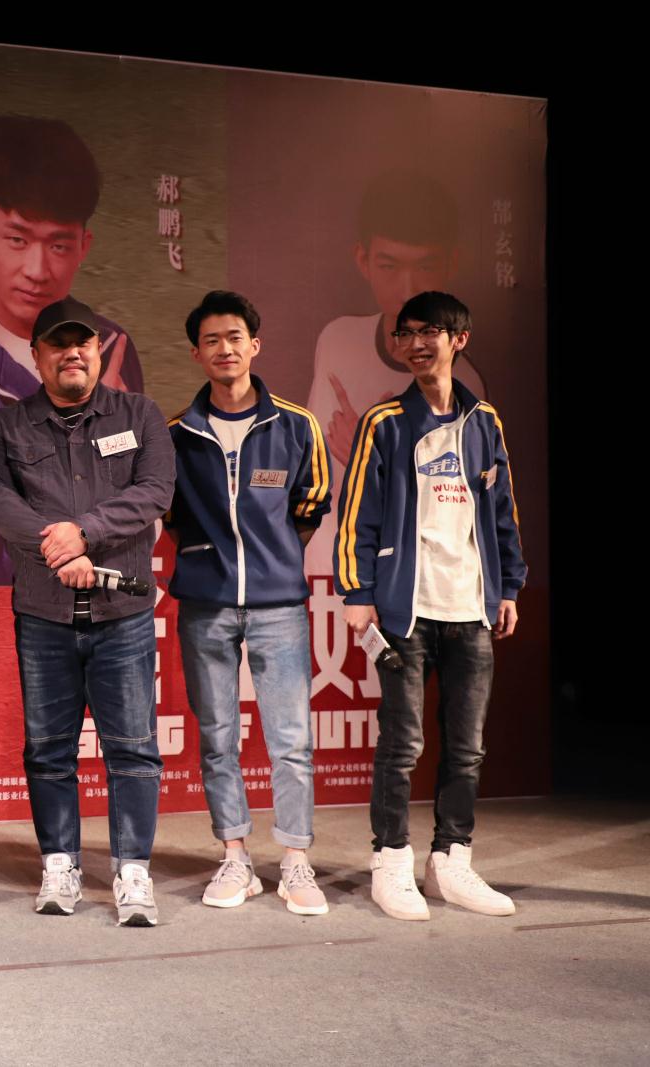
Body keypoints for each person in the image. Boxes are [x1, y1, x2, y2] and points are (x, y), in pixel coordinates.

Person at [0, 296, 173, 925]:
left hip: (124, 615)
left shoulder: (140, 415)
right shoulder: (8, 426)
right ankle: (59, 864)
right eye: (58, 345)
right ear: (36, 356)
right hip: (44, 614)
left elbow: (154, 491)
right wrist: (56, 548)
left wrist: (83, 533)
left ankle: (132, 871)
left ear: (98, 350)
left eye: (82, 343)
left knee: (133, 749)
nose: (73, 354)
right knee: (48, 750)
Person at [334, 290, 525, 922]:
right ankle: (391, 860)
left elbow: (502, 511)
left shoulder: (484, 422)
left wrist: (508, 586)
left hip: (471, 608)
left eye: (430, 332)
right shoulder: (385, 421)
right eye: (406, 333)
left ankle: (452, 861)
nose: (416, 344)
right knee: (403, 745)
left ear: (458, 339)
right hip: (404, 611)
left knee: (467, 748)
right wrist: (358, 592)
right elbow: (357, 512)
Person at [0, 115, 143, 586]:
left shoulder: (111, 346)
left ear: (84, 245)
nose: (38, 270)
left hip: (111, 605)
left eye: (59, 245)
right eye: (17, 240)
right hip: (6, 612)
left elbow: (142, 501)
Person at [166, 291, 331, 916]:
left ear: (254, 345)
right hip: (205, 604)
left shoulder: (295, 425)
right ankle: (234, 856)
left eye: (235, 337)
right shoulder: (178, 434)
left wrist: (272, 560)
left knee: (291, 739)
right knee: (217, 737)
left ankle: (295, 861)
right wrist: (212, 560)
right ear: (197, 353)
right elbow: (172, 516)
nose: (225, 349)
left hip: (278, 606)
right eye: (211, 340)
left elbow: (310, 506)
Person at [304, 171, 485, 573]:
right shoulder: (337, 339)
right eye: (389, 266)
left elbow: (453, 512)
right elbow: (311, 470)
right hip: (321, 568)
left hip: (405, 577)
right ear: (363, 260)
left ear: (451, 264)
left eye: (425, 266)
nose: (407, 289)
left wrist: (367, 457)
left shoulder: (464, 385)